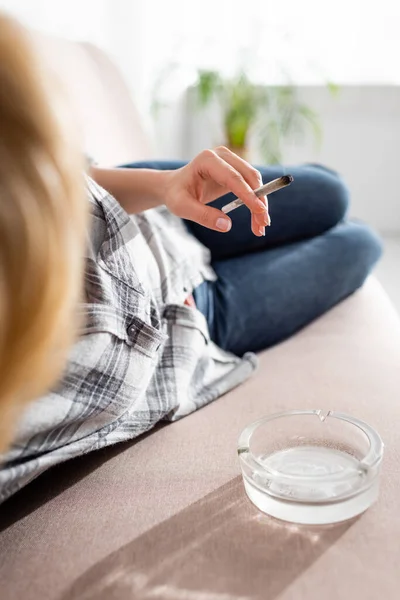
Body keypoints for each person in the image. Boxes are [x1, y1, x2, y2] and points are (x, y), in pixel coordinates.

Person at [0, 13, 382, 503]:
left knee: (330, 193)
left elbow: (70, 183)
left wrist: (167, 184)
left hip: (155, 213)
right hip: (192, 317)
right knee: (362, 243)